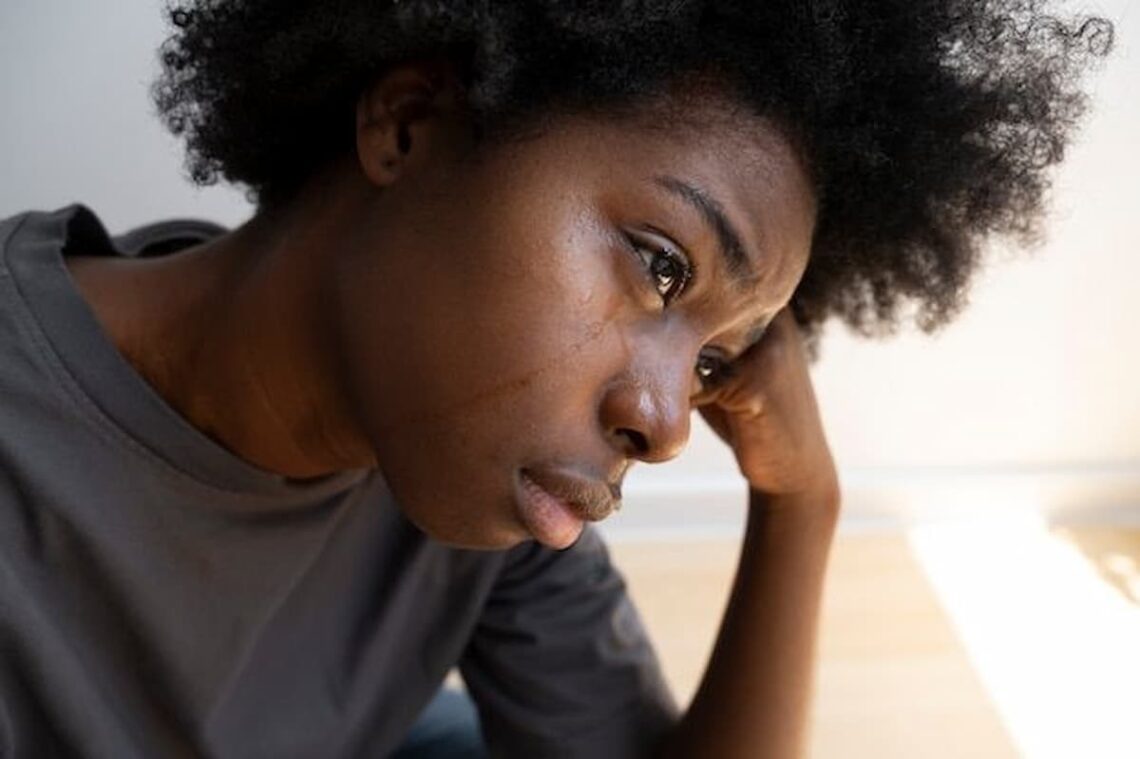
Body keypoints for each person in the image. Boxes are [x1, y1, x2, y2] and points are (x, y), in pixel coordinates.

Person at [0, 1, 1111, 757]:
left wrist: (801, 501)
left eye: (713, 359)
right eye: (662, 265)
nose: (668, 424)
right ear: (409, 124)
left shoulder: (470, 476)